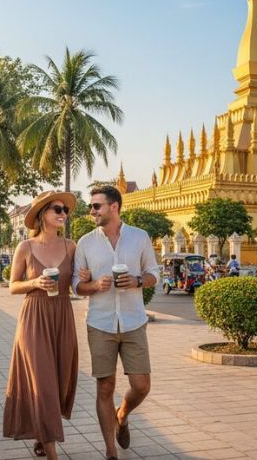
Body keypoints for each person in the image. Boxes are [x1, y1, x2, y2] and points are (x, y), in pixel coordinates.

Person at [74, 185, 159, 460]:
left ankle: (122, 415)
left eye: (96, 206)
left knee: (141, 385)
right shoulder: (85, 242)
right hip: (100, 323)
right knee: (105, 386)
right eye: (91, 206)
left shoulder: (139, 237)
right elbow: (77, 285)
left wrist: (136, 281)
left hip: (133, 321)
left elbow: (153, 274)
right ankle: (110, 451)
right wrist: (94, 284)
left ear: (114, 207)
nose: (92, 211)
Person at [3, 191, 79, 460]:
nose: (62, 214)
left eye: (65, 210)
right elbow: (13, 286)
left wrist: (89, 278)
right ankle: (51, 452)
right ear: (42, 215)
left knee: (57, 382)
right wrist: (34, 283)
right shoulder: (25, 247)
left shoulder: (71, 247)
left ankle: (41, 433)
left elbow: (78, 281)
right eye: (57, 209)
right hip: (34, 318)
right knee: (42, 381)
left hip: (62, 317)